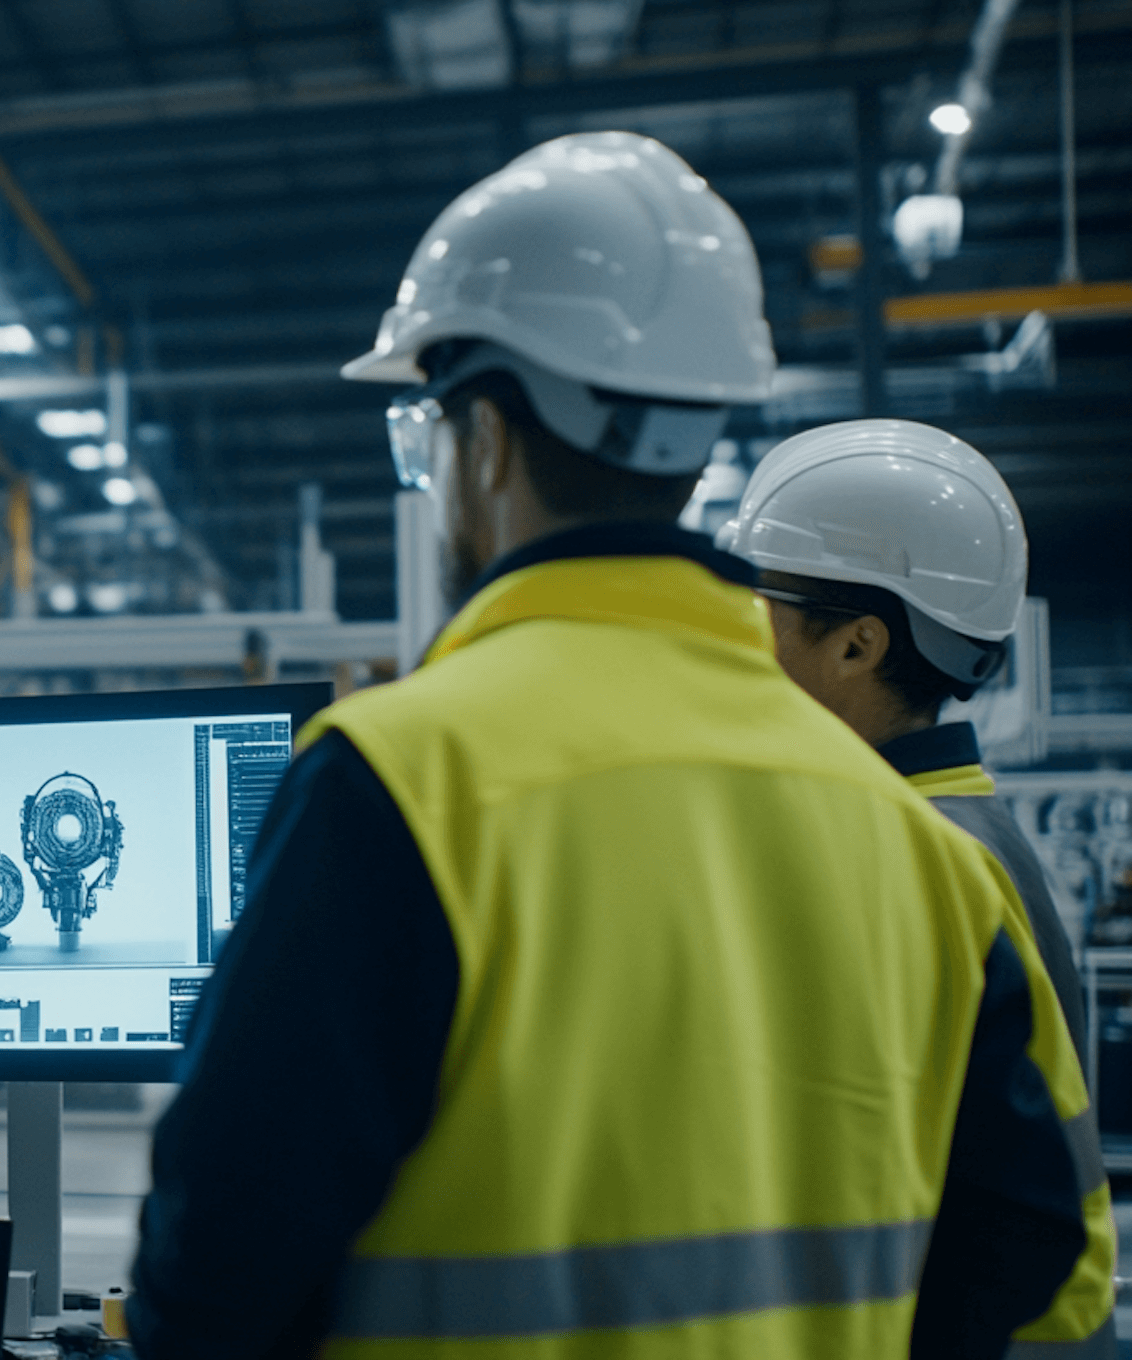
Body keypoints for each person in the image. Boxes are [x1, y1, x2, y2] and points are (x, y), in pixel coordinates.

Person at [130, 132, 1105, 1359]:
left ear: (480, 439)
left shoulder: (398, 781)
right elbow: (1037, 1246)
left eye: (426, 427)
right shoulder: (922, 850)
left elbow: (212, 1271)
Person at [721, 418, 1116, 1355]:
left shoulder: (906, 857)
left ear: (857, 645)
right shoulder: (973, 830)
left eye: (758, 604)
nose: (736, 637)